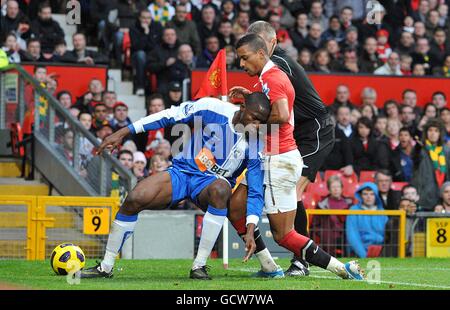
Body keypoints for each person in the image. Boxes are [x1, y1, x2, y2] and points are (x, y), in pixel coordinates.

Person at [80, 92, 273, 279]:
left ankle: (199, 266)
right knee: (135, 197)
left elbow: (255, 192)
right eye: (254, 118)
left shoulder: (256, 145)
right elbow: (169, 115)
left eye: (261, 122)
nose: (257, 126)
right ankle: (105, 267)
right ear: (242, 108)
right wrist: (123, 132)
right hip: (181, 173)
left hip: (209, 187)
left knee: (221, 188)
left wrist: (251, 228)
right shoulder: (213, 108)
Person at [227, 34, 363, 280]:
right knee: (236, 208)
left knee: (284, 235)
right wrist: (249, 98)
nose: (242, 64)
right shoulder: (265, 78)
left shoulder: (274, 77)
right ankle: (269, 267)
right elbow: (270, 108)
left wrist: (254, 127)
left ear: (261, 53)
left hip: (279, 160)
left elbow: (279, 115)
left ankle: (343, 269)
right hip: (270, 157)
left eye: (244, 58)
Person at [243, 21, 336, 277]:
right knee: (292, 193)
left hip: (315, 130)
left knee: (294, 190)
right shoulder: (267, 69)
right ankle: (298, 257)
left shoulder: (277, 65)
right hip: (297, 132)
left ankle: (301, 261)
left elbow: (276, 110)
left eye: (258, 42)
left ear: (270, 43)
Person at [412, 118, 450, 210]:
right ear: (426, 133)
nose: (433, 133)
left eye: (436, 131)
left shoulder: (447, 151)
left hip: (442, 200)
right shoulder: (420, 149)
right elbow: (415, 157)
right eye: (430, 130)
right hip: (423, 198)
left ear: (440, 133)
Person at [311, 176, 352, 257]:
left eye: (338, 187)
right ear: (329, 189)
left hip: (346, 235)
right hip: (328, 238)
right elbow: (315, 224)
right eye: (333, 187)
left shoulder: (349, 203)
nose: (336, 189)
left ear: (342, 188)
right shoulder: (322, 204)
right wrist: (323, 234)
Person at [346, 182, 389, 258]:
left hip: (382, 251)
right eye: (365, 194)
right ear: (360, 196)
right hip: (358, 253)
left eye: (372, 194)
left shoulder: (382, 211)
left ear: (376, 196)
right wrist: (363, 255)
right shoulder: (353, 210)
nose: (368, 197)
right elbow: (352, 235)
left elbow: (388, 234)